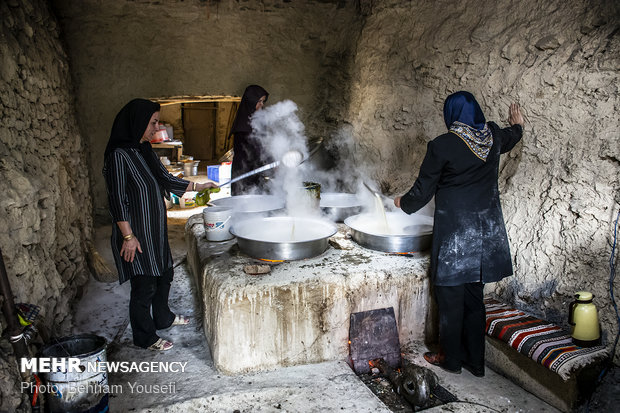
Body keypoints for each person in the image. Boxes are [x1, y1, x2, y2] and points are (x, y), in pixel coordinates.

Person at [394, 91, 524, 376]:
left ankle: (450, 359)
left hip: (455, 235)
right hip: (485, 235)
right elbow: (511, 137)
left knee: (450, 297)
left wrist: (403, 202)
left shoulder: (442, 145)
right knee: (474, 298)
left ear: (451, 115)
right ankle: (476, 363)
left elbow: (422, 191)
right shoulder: (492, 137)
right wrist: (518, 126)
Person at [103, 98, 218, 351]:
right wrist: (128, 237)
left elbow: (166, 179)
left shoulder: (142, 150)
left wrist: (200, 186)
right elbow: (117, 200)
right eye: (153, 123)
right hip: (135, 232)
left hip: (154, 229)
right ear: (137, 122)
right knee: (144, 286)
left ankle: (164, 316)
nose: (156, 129)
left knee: (164, 273)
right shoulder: (118, 156)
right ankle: (145, 336)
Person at [229, 85, 270, 195]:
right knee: (244, 201)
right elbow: (257, 149)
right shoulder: (244, 125)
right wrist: (271, 161)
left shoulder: (256, 119)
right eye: (259, 101)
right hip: (243, 172)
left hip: (255, 170)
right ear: (251, 101)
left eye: (263, 101)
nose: (262, 105)